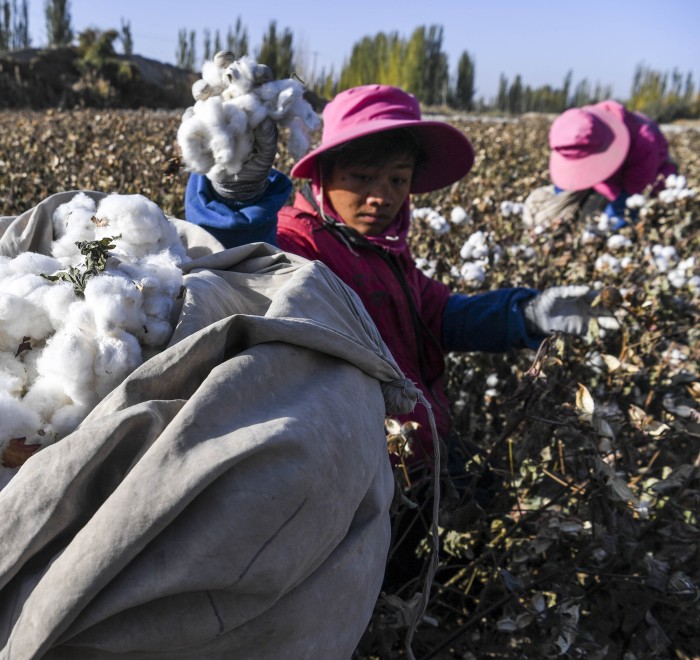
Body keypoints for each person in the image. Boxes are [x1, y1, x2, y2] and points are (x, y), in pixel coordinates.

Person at [184, 81, 618, 474]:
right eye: (362, 177)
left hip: (424, 454)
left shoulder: (382, 249)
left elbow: (437, 314)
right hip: (372, 479)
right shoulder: (303, 245)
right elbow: (250, 267)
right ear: (322, 176)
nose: (382, 196)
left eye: (398, 179)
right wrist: (235, 200)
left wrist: (523, 313)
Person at [523, 100, 679, 230]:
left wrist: (606, 230)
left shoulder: (645, 143)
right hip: (608, 179)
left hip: (645, 182)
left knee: (603, 221)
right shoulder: (586, 123)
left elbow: (631, 198)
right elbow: (566, 183)